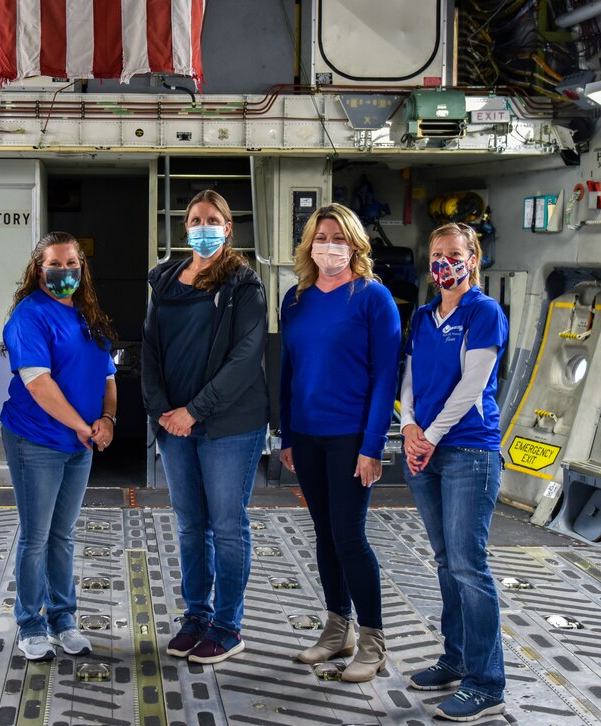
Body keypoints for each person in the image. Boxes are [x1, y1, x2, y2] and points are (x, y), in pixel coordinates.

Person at [142, 189, 268, 665]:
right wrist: (161, 412)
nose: (203, 226)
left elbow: (244, 359)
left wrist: (193, 411)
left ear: (228, 227)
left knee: (227, 526)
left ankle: (227, 625)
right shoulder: (165, 280)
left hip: (228, 425)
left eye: (212, 218)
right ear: (184, 227)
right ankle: (196, 616)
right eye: (195, 219)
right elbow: (150, 349)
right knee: (192, 526)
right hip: (174, 426)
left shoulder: (244, 284)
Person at [279, 203, 400, 682]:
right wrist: (287, 434)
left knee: (350, 535)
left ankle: (372, 642)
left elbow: (386, 375)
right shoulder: (295, 298)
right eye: (321, 236)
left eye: (339, 237)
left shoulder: (373, 298)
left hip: (351, 435)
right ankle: (337, 629)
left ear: (355, 244)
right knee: (325, 534)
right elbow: (288, 371)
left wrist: (373, 446)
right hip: (306, 435)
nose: (329, 245)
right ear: (310, 243)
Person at [400, 222, 508, 721]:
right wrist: (407, 426)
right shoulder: (423, 315)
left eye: (454, 253)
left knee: (469, 565)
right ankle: (456, 658)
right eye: (437, 253)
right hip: (425, 448)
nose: (444, 262)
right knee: (445, 561)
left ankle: (487, 684)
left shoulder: (484, 313)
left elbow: (472, 386)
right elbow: (411, 377)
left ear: (473, 257)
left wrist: (430, 435)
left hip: (468, 452)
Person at [1, 231, 118, 662]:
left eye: (73, 264)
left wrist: (107, 419)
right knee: (36, 537)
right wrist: (84, 428)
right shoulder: (29, 316)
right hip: (38, 440)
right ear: (38, 268)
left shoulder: (88, 315)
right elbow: (39, 384)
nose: (65, 272)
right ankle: (30, 624)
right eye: (56, 264)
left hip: (78, 443)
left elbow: (107, 375)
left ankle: (63, 620)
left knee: (62, 536)